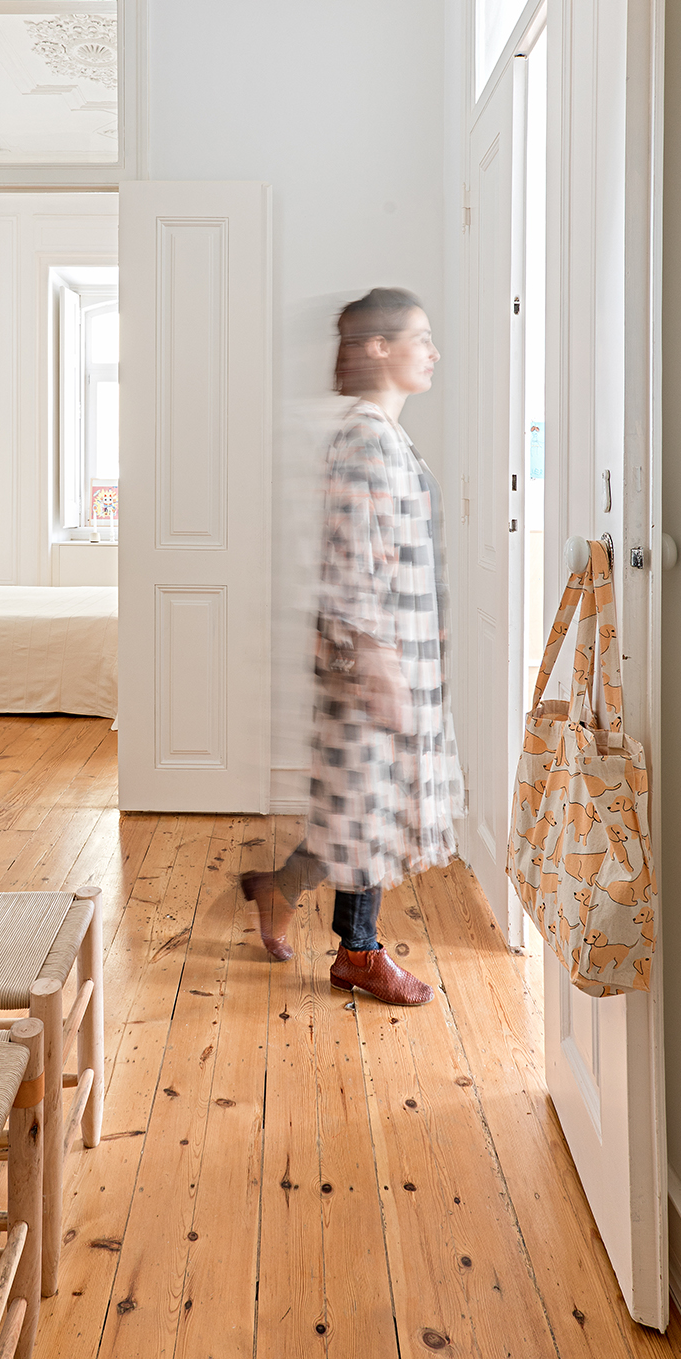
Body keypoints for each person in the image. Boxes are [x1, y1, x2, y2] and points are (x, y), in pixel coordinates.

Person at [240, 287, 463, 1005]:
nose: (433, 351)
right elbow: (355, 557)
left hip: (387, 653)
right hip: (370, 656)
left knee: (358, 806)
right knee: (366, 808)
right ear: (379, 348)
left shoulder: (381, 434)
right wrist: (376, 659)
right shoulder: (366, 438)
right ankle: (357, 954)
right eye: (420, 337)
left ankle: (278, 892)